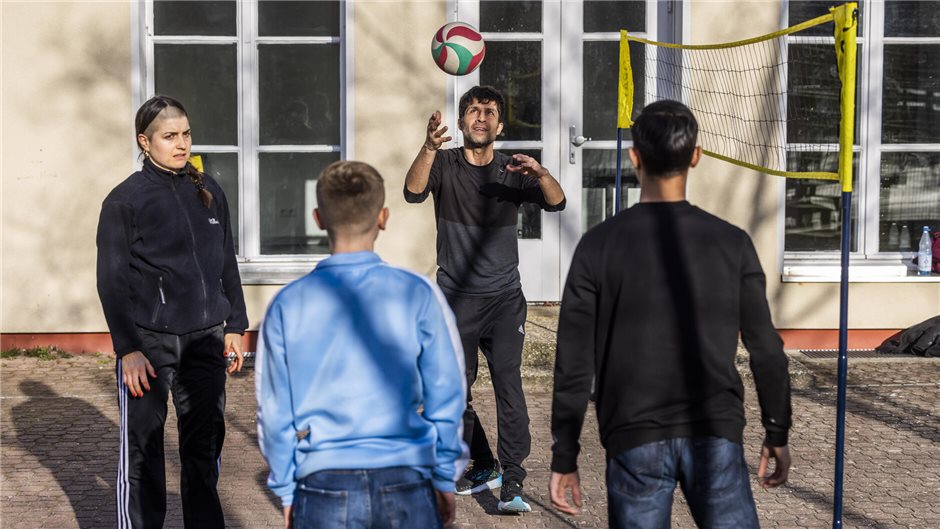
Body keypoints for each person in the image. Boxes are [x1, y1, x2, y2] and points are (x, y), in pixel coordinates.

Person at [549, 100, 792, 528]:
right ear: (695, 156)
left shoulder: (598, 245)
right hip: (713, 432)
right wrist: (776, 430)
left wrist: (564, 454)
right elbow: (766, 349)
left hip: (633, 435)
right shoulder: (731, 243)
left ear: (634, 156)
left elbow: (573, 361)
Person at [256, 160, 467, 529]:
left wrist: (287, 490)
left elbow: (274, 413)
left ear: (318, 218)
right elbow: (447, 392)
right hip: (407, 479)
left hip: (322, 484)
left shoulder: (287, 304)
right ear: (383, 217)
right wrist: (445, 473)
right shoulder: (418, 293)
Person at [404, 85, 566, 513]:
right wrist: (426, 147)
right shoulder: (444, 162)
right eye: (472, 111)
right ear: (460, 122)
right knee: (453, 391)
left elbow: (557, 202)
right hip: (455, 298)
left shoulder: (512, 169)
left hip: (504, 299)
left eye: (489, 112)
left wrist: (542, 174)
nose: (480, 118)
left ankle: (512, 481)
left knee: (508, 385)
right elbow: (413, 192)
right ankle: (484, 462)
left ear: (500, 124)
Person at [96, 95, 248, 529]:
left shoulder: (210, 191)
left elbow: (226, 263)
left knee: (203, 453)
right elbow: (112, 281)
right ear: (145, 142)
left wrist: (234, 324)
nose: (181, 144)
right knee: (143, 452)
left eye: (186, 134)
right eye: (169, 136)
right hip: (148, 345)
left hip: (205, 342)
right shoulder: (124, 201)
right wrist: (128, 349)